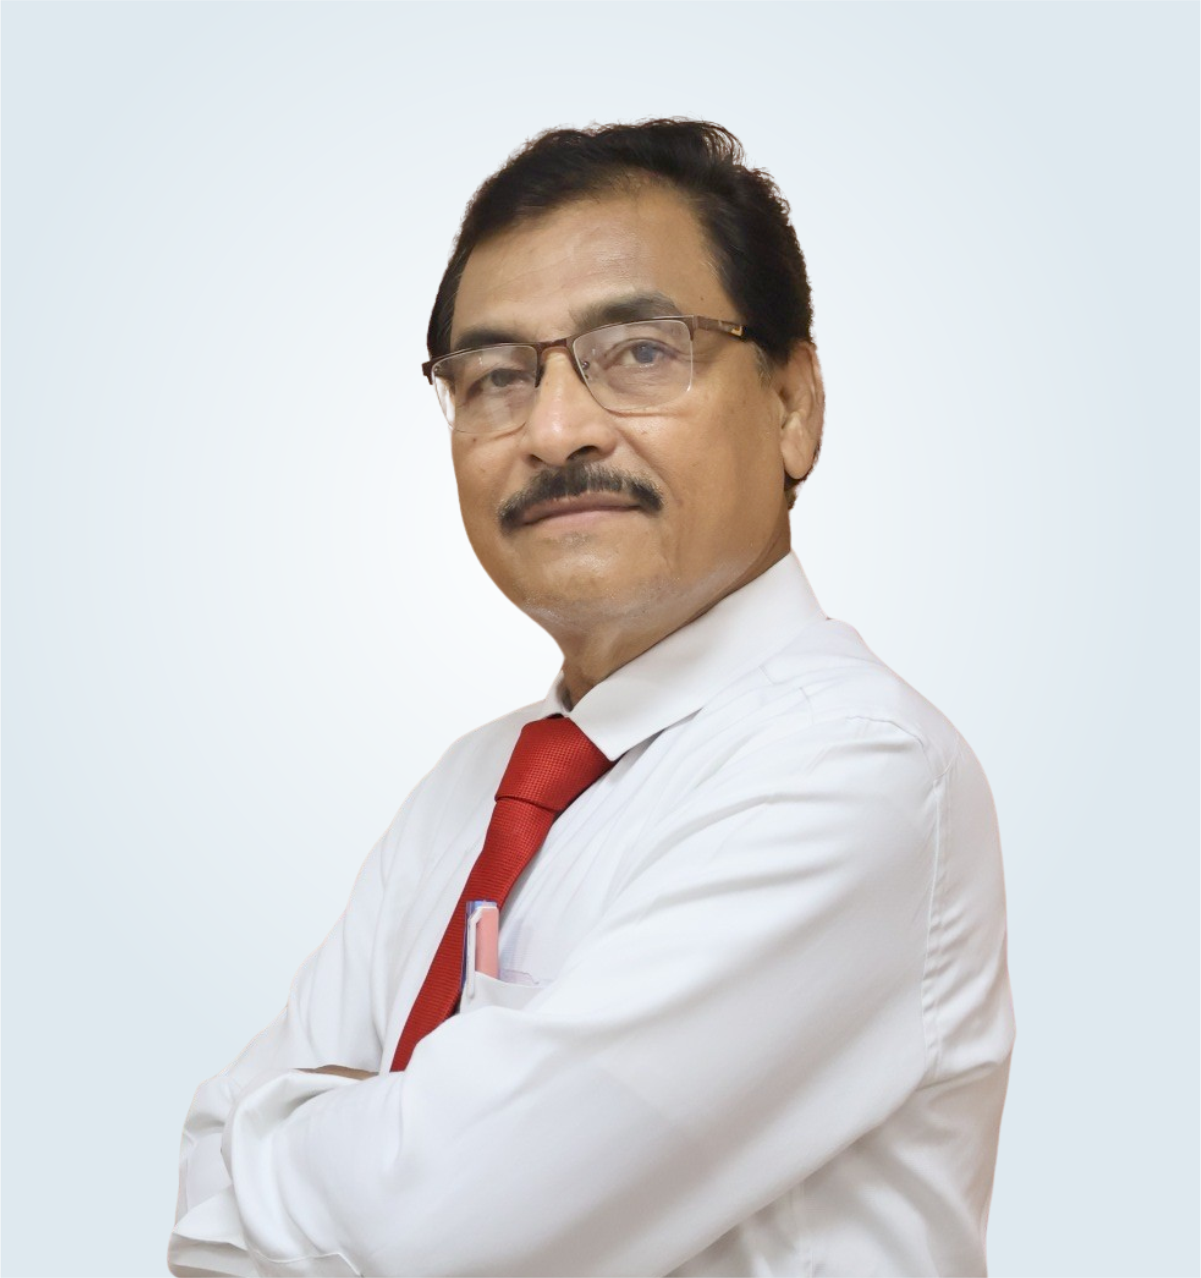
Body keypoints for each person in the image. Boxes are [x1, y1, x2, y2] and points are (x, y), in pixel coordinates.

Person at [168, 119, 1014, 1277]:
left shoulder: (853, 773)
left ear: (792, 405)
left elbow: (441, 1237)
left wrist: (314, 1137)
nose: (555, 429)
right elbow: (203, 1192)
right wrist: (379, 1156)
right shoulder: (471, 788)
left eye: (641, 353)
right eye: (496, 377)